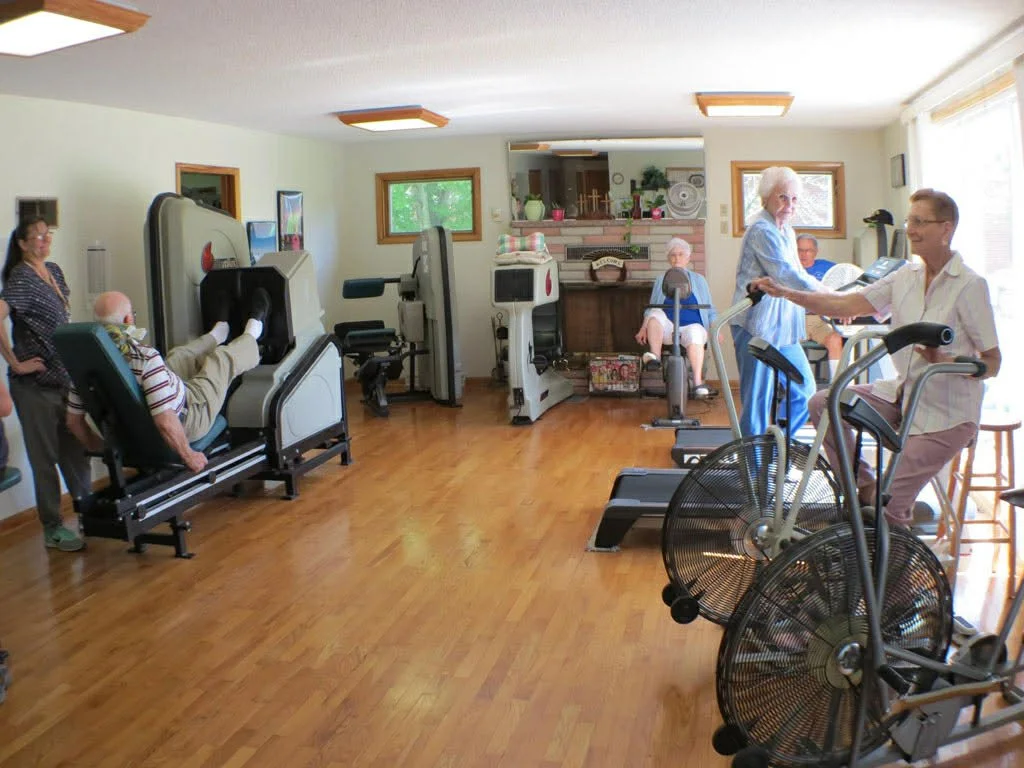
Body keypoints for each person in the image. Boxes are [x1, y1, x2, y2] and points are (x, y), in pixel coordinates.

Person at [751, 188, 1001, 527]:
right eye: (909, 221)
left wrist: (946, 359)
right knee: (825, 402)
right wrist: (785, 293)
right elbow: (846, 305)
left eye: (920, 222)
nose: (910, 229)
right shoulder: (905, 276)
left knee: (890, 508)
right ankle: (865, 487)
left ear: (946, 228)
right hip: (903, 394)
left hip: (947, 415)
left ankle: (891, 572)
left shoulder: (970, 285)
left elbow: (993, 361)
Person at [65, 289, 271, 474]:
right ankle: (253, 333)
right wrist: (188, 455)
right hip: (190, 414)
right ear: (129, 319)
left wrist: (108, 449)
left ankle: (219, 332)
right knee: (219, 360)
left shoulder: (83, 364)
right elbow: (164, 420)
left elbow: (74, 422)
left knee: (178, 356)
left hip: (137, 429)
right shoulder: (144, 357)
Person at [0, 217, 91, 552]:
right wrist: (15, 362)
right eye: (36, 237)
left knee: (75, 452)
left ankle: (88, 513)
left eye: (46, 235)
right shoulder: (21, 277)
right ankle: (53, 528)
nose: (43, 240)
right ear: (22, 244)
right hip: (34, 388)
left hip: (64, 382)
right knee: (44, 459)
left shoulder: (53, 269)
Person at [730, 167, 826, 437]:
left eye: (794, 199)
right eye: (783, 197)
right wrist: (831, 298)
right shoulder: (762, 229)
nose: (789, 205)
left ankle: (776, 448)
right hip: (756, 328)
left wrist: (829, 292)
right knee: (757, 403)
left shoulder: (788, 231)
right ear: (766, 197)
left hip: (783, 329)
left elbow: (799, 274)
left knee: (805, 390)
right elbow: (786, 276)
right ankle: (753, 470)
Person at [635, 238, 717, 398]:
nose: (677, 258)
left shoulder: (699, 280)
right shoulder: (661, 280)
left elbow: (711, 309)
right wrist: (643, 328)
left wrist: (715, 329)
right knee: (656, 313)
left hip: (692, 328)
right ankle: (655, 358)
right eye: (673, 255)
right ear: (668, 259)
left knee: (694, 332)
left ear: (688, 258)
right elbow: (652, 309)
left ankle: (698, 383)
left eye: (680, 255)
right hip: (667, 329)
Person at [797, 234, 844, 380]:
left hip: (821, 319)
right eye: (800, 250)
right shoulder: (787, 268)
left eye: (808, 250)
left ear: (815, 252)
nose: (804, 255)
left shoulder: (829, 268)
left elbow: (846, 285)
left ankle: (838, 388)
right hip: (795, 319)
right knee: (779, 343)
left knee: (835, 339)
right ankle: (787, 389)